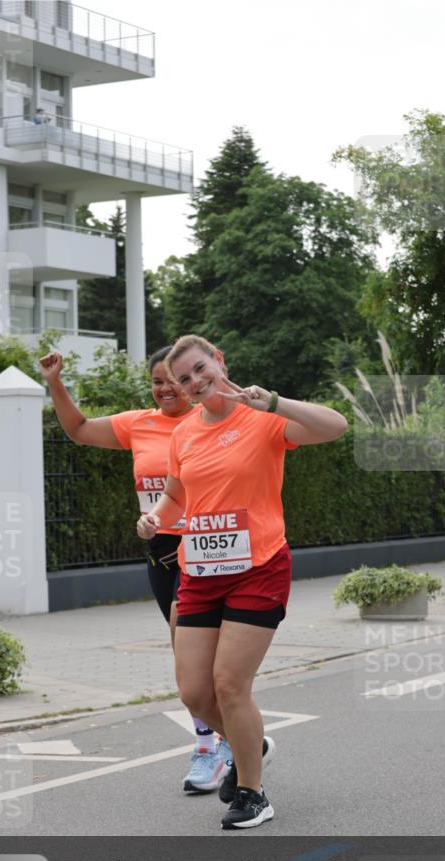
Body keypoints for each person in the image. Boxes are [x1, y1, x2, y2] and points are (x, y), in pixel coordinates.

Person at [137, 335, 348, 829]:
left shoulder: (262, 417)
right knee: (193, 691)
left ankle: (252, 793)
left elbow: (336, 426)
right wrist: (154, 518)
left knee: (230, 684)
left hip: (259, 567)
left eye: (198, 369)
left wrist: (272, 401)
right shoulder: (183, 434)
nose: (193, 383)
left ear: (218, 361)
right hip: (200, 573)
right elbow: (175, 495)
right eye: (183, 379)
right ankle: (250, 745)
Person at [39, 346, 231, 790]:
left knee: (204, 656)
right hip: (159, 552)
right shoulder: (138, 423)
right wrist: (55, 383)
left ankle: (218, 744)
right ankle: (215, 740)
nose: (166, 389)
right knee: (188, 661)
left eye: (173, 380)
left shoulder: (209, 421)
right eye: (157, 382)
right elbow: (80, 429)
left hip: (206, 550)